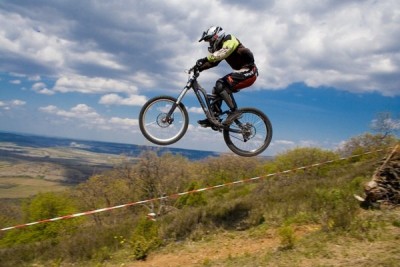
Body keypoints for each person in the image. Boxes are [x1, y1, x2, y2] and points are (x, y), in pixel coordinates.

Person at [195, 26, 258, 127]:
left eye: (210, 41)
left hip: (250, 72)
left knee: (221, 84)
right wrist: (198, 68)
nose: (210, 44)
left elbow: (221, 53)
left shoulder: (229, 39)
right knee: (216, 89)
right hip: (242, 73)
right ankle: (214, 116)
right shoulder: (222, 48)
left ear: (216, 36)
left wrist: (204, 59)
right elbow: (214, 62)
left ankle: (234, 112)